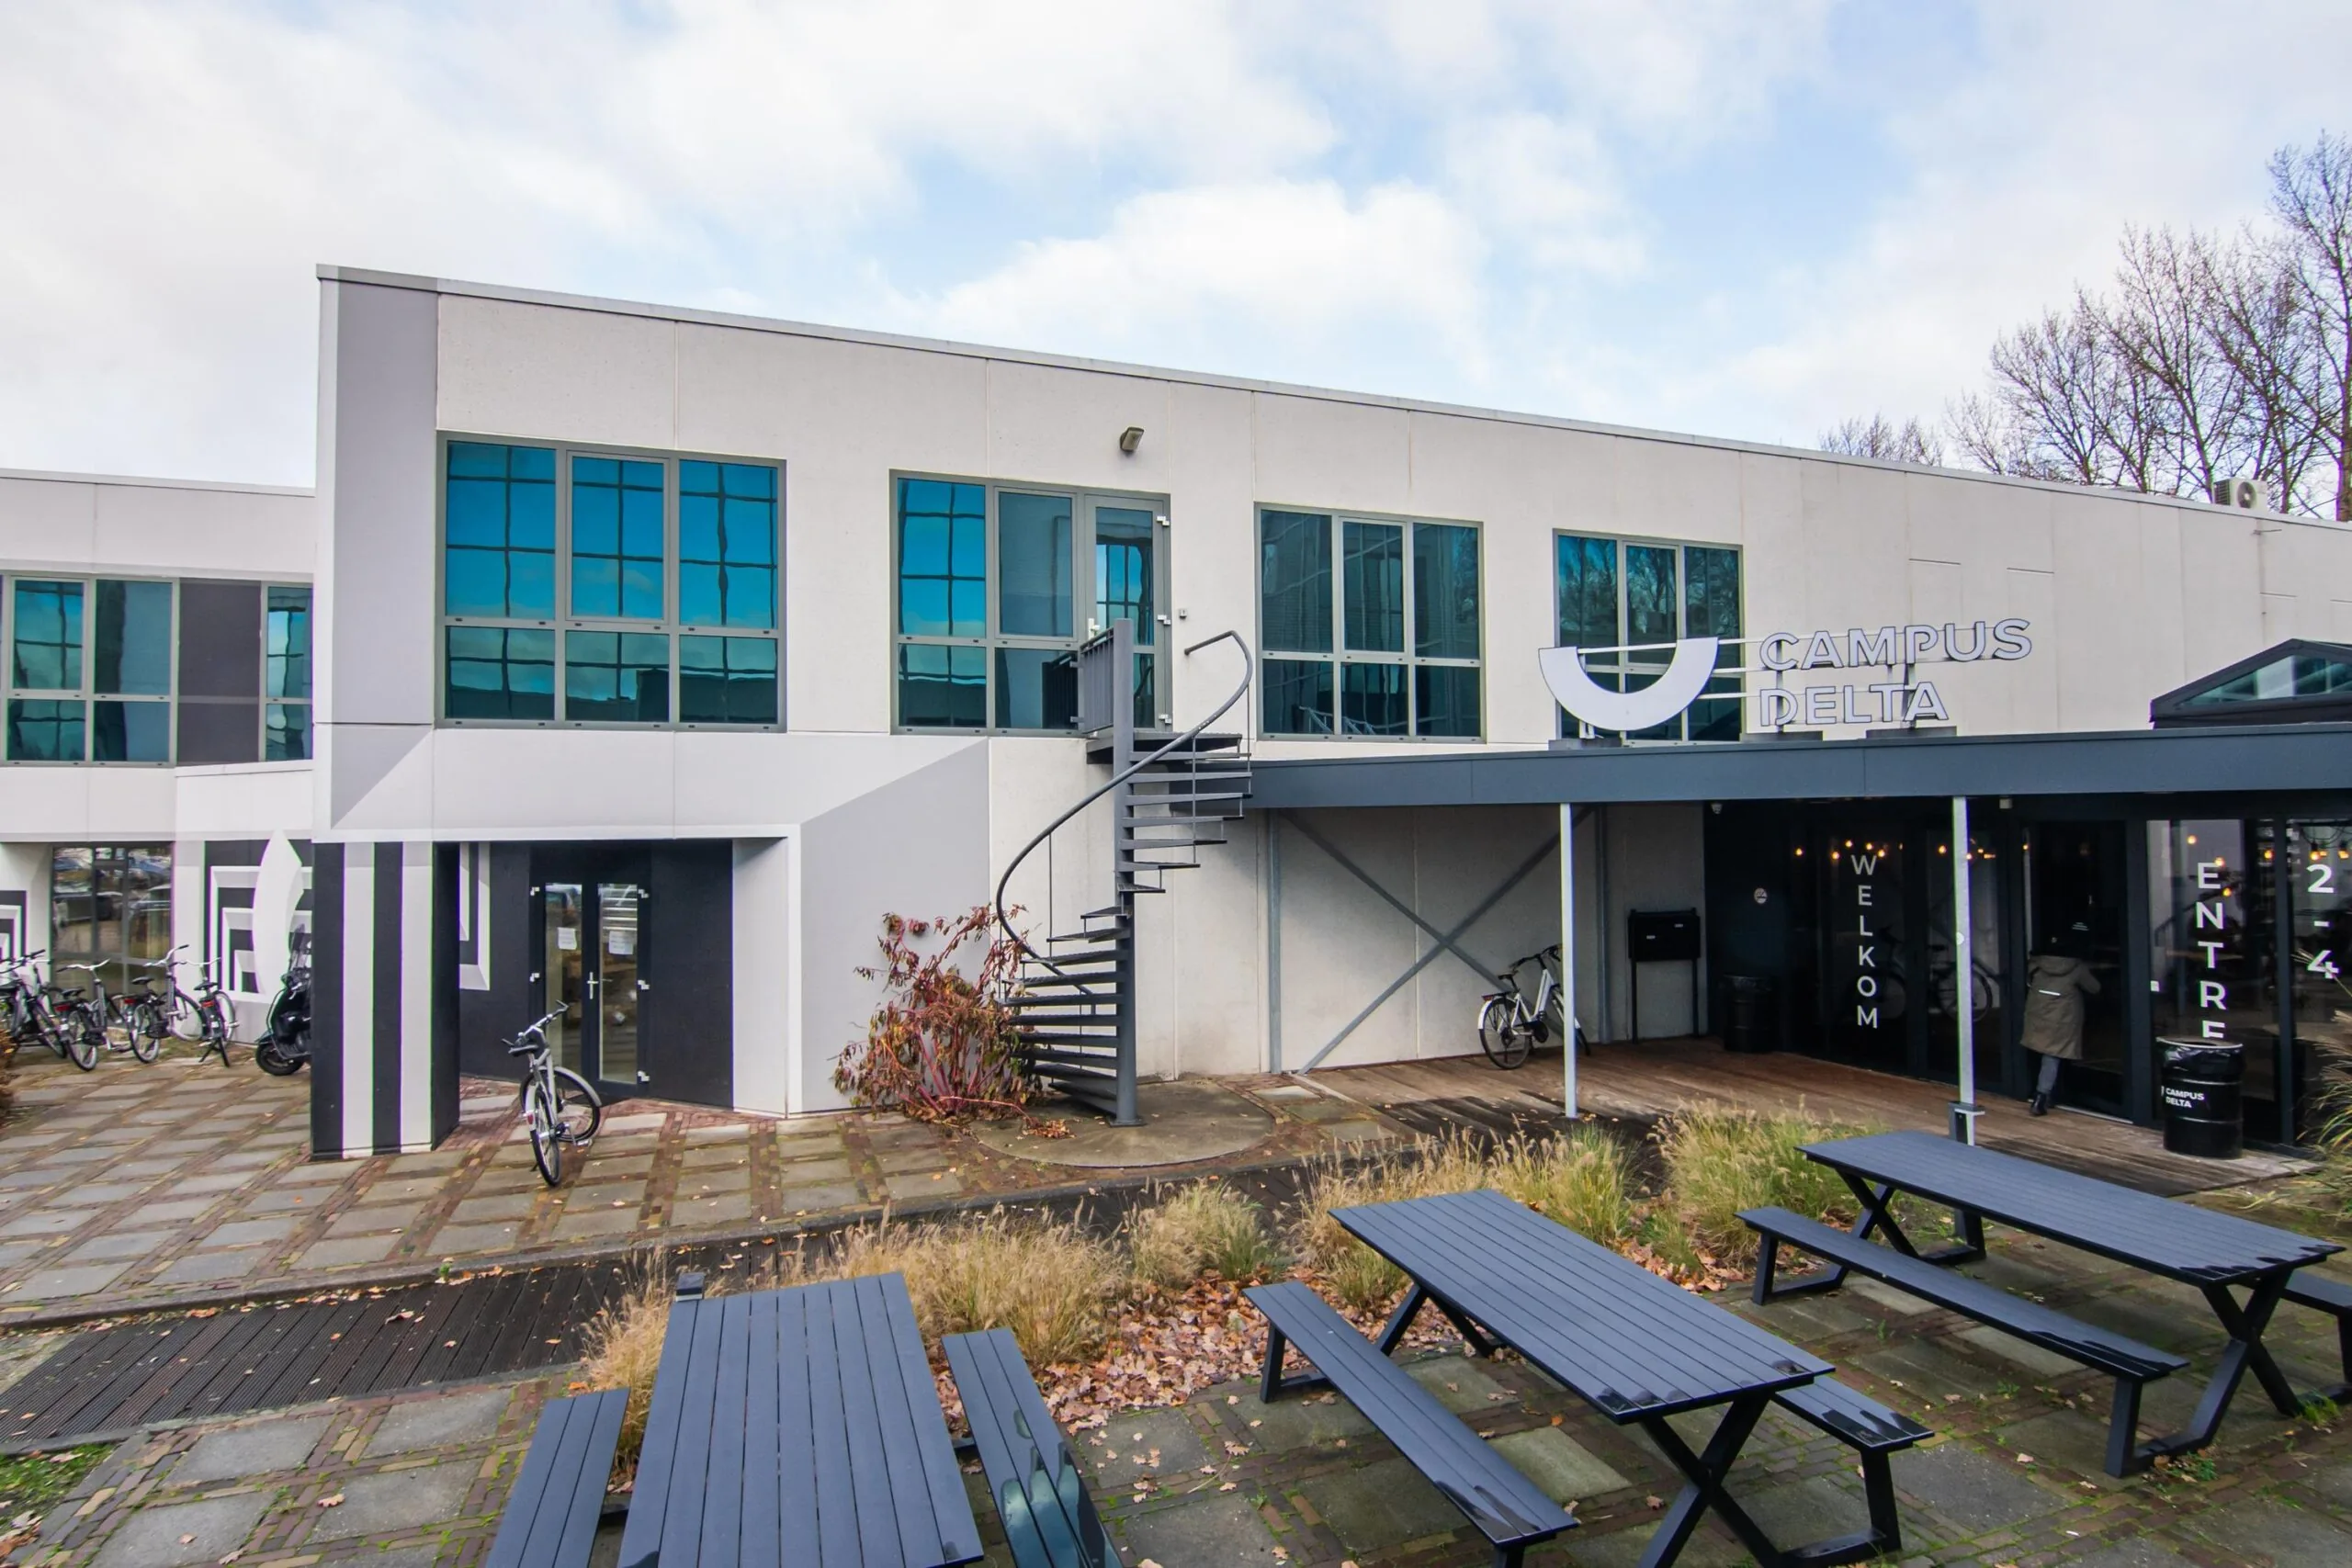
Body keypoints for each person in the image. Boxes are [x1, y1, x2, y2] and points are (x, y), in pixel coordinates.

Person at [2021, 921, 2101, 1116]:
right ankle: (2042, 1097)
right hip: (2063, 1018)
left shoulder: (2037, 964)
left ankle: (2045, 1094)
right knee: (2054, 1055)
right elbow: (2095, 988)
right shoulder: (2076, 967)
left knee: (2041, 1053)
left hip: (2037, 1015)